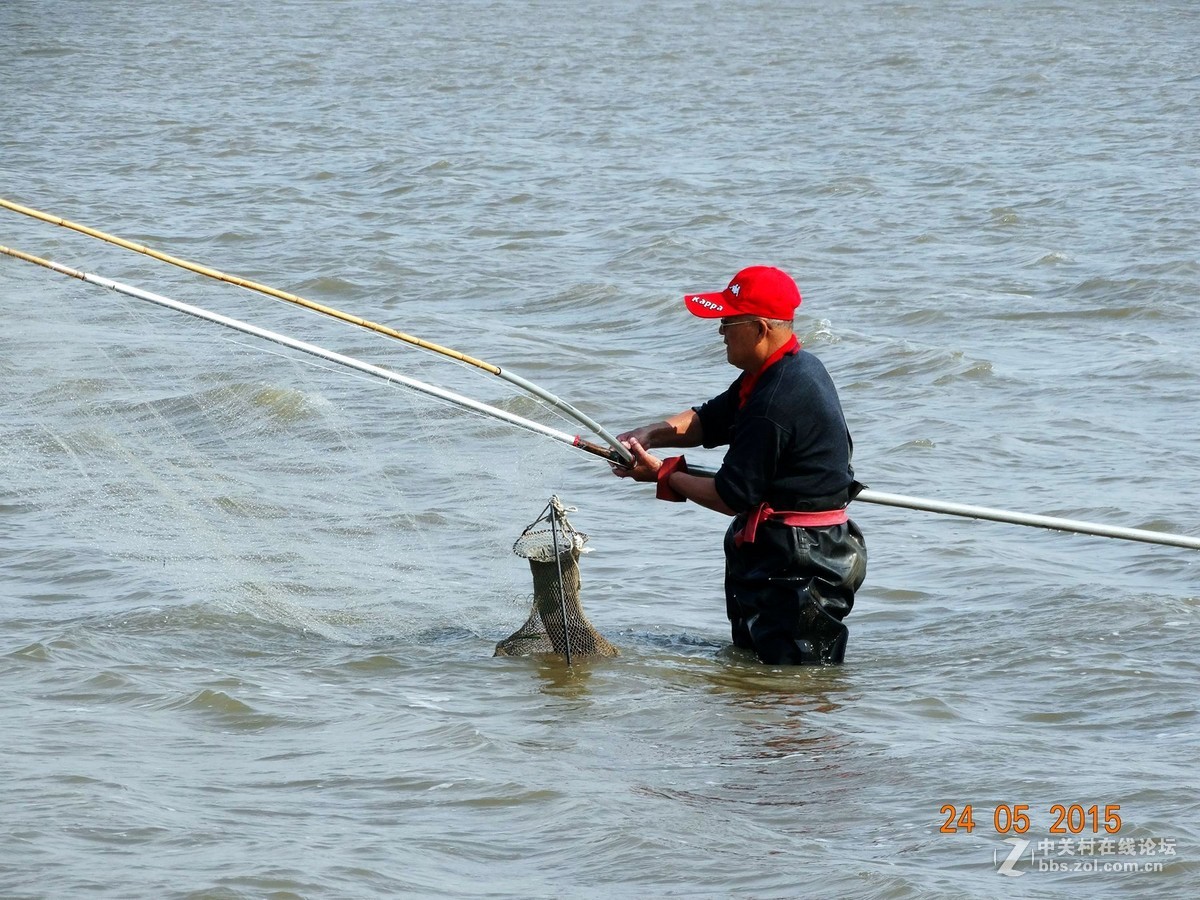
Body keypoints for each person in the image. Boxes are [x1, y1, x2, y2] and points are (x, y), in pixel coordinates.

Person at [612, 265, 867, 665]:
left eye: (728, 322)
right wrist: (649, 435)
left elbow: (730, 495)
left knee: (796, 686)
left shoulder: (775, 400)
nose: (720, 333)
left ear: (761, 328)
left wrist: (662, 473)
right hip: (783, 548)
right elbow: (711, 419)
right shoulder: (782, 369)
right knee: (758, 678)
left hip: (802, 562)